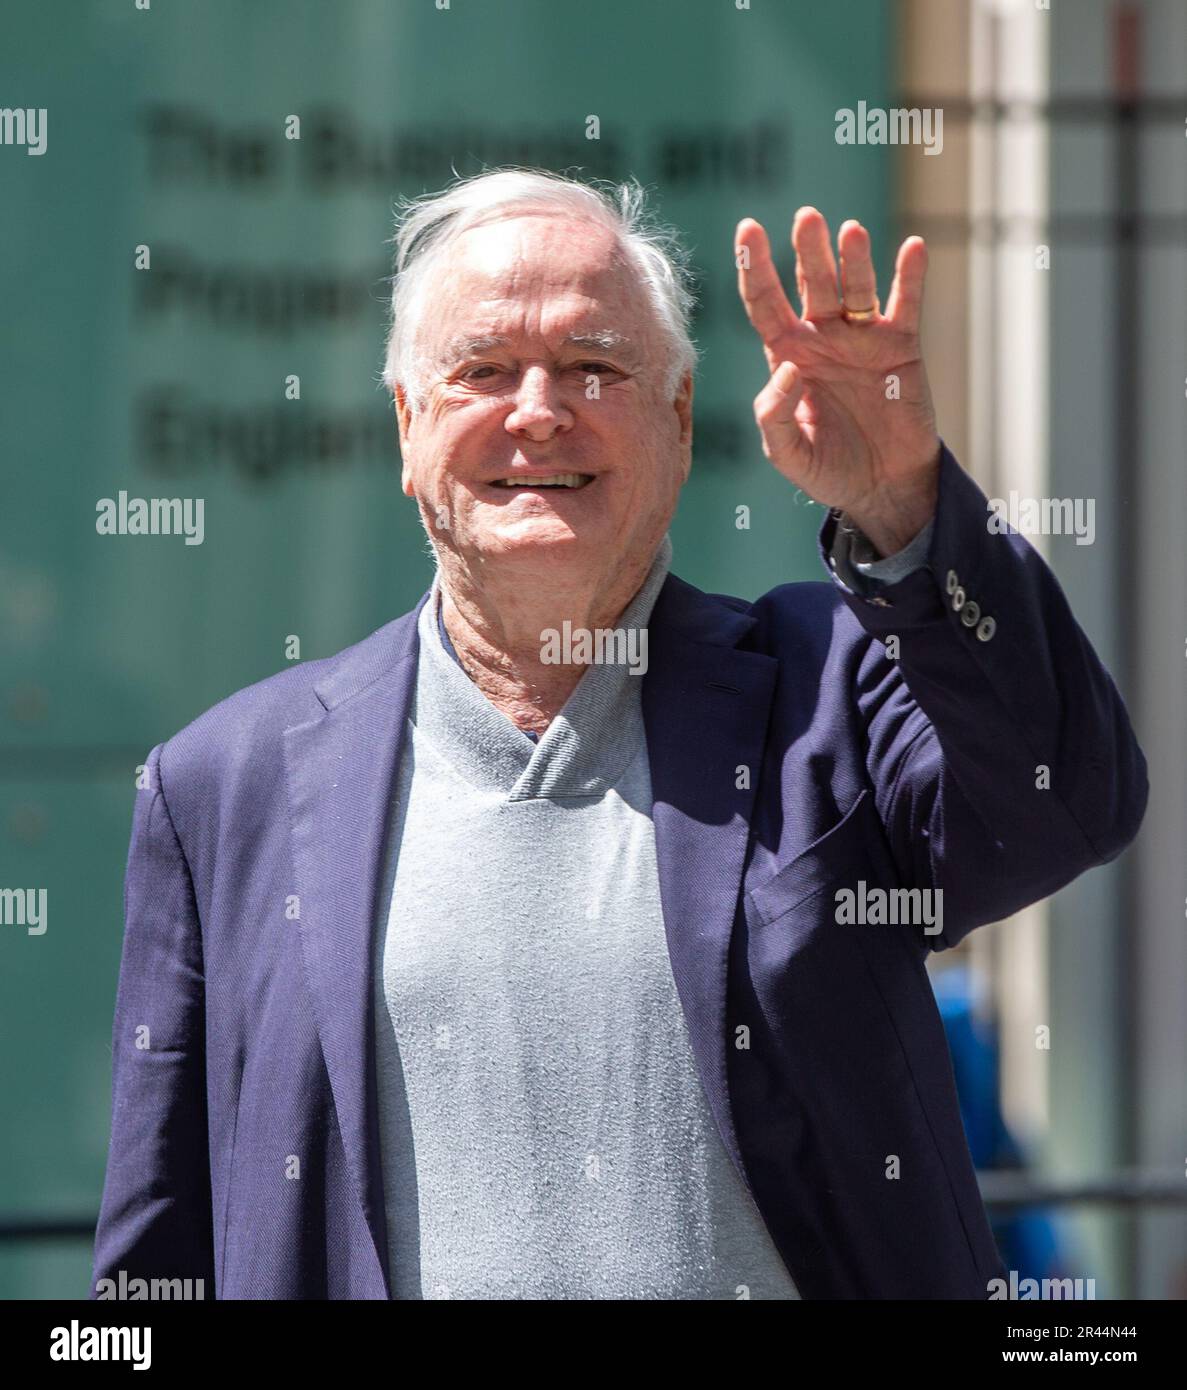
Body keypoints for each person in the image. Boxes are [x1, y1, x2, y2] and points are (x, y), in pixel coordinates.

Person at [92, 168, 1147, 1300]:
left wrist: (904, 504)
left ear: (678, 423)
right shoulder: (223, 786)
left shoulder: (825, 686)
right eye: (482, 370)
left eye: (594, 367)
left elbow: (1066, 801)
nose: (537, 409)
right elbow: (157, 1266)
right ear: (407, 426)